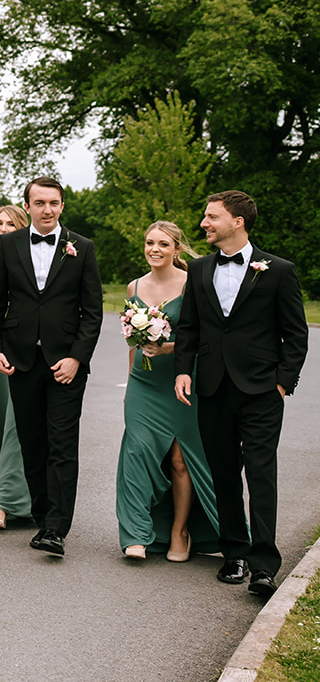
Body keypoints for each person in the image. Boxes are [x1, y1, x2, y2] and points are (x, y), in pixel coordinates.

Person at [175, 191, 308, 597]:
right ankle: (233, 552)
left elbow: (296, 334)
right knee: (224, 474)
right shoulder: (198, 270)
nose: (204, 224)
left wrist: (283, 382)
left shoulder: (278, 270)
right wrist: (183, 370)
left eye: (212, 217)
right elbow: (189, 328)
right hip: (213, 387)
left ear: (238, 222)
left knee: (262, 474)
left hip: (262, 391)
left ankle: (264, 565)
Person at [0, 176, 104, 557]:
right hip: (20, 360)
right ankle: (41, 513)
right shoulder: (10, 244)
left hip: (65, 362)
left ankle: (56, 527)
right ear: (29, 206)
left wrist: (77, 357)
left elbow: (93, 312)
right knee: (32, 441)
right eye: (40, 203)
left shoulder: (81, 248)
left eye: (54, 203)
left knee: (62, 443)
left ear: (62, 206)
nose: (47, 209)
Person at [116, 221, 218, 560]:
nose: (154, 249)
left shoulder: (194, 284)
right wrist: (131, 382)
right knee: (137, 452)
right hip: (144, 384)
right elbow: (133, 340)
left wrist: (168, 347)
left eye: (162, 244)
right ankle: (135, 534)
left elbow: (205, 338)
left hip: (182, 380)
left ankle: (180, 531)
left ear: (177, 249)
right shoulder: (133, 287)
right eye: (149, 243)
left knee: (179, 460)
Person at [0, 205, 33, 529]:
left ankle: (3, 501)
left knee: (17, 424)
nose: (2, 228)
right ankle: (21, 493)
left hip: (24, 350)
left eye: (10, 223)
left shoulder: (33, 262)